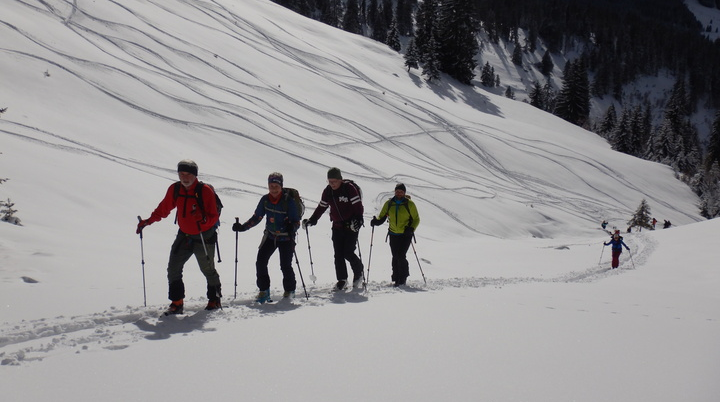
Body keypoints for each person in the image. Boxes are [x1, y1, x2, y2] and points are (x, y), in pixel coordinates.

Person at [136, 160, 222, 314]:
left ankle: (214, 299)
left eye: (188, 173)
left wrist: (202, 219)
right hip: (185, 235)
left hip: (204, 236)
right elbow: (164, 208)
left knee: (207, 269)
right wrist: (147, 221)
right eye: (181, 173)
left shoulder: (205, 191)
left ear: (195, 175)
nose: (184, 177)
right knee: (173, 268)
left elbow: (213, 217)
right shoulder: (176, 189)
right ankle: (177, 302)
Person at [233, 173, 299, 303]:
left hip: (286, 238)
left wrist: (292, 228)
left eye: (276, 186)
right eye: (271, 186)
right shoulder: (265, 200)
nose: (273, 189)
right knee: (261, 262)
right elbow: (257, 217)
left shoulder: (288, 201)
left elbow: (296, 222)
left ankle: (290, 291)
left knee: (285, 265)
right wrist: (242, 227)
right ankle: (264, 291)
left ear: (281, 186)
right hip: (270, 236)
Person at [303, 167, 364, 291]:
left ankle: (358, 273)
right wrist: (313, 219)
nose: (332, 184)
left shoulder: (349, 189)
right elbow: (322, 206)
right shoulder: (328, 191)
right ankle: (342, 280)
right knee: (338, 255)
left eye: (334, 181)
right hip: (336, 226)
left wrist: (358, 219)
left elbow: (358, 206)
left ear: (340, 180)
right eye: (329, 181)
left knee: (348, 252)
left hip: (351, 226)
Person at [370, 183, 420, 287]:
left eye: (401, 192)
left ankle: (403, 277)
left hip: (406, 234)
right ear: (394, 192)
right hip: (393, 233)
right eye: (397, 191)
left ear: (404, 193)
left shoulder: (409, 204)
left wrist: (411, 228)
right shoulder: (389, 203)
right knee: (395, 256)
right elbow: (382, 216)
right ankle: (396, 277)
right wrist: (376, 222)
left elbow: (416, 219)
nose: (399, 194)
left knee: (401, 255)